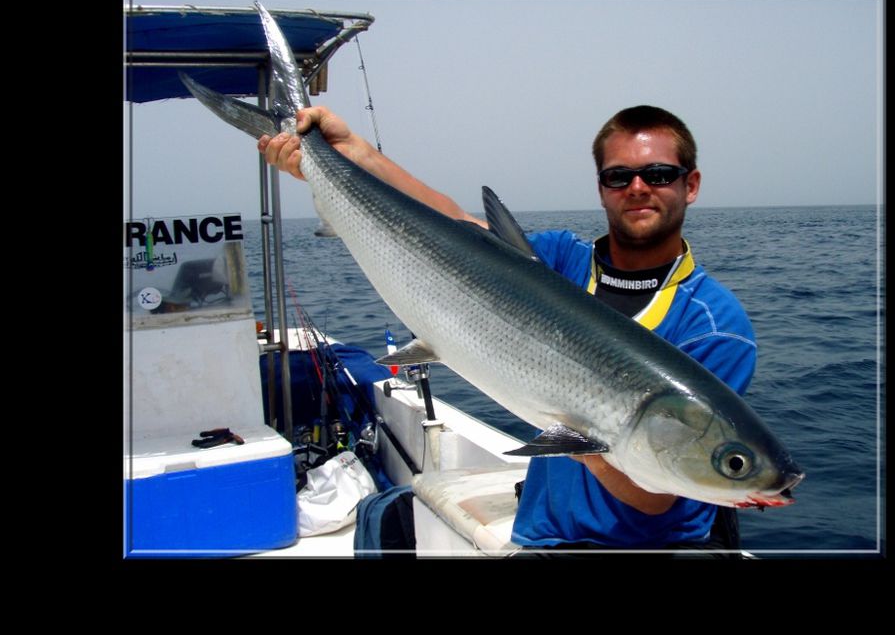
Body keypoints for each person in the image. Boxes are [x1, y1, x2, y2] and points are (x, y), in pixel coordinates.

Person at [259, 104, 756, 555]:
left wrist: (588, 437)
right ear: (602, 187)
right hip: (542, 537)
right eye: (619, 176)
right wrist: (351, 155)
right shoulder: (564, 261)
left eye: (659, 174)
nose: (638, 187)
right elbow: (454, 226)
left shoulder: (713, 322)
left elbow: (657, 498)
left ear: (690, 184)